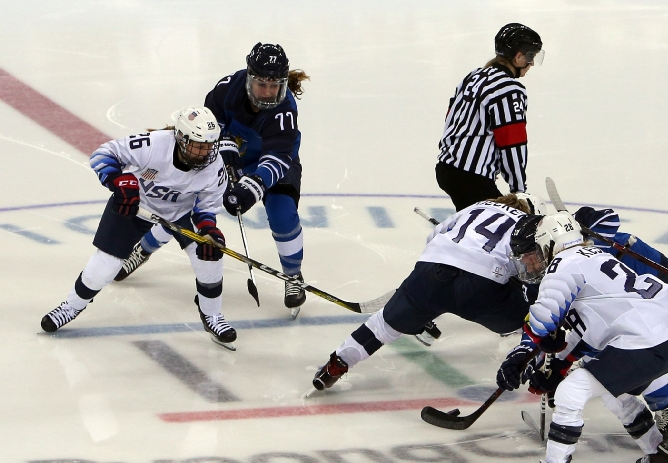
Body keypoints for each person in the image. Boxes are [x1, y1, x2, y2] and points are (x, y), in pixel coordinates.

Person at [499, 212, 668, 463]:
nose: (529, 264)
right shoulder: (591, 254)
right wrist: (557, 366)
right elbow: (585, 331)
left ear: (548, 244)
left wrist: (519, 355)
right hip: (667, 341)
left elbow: (544, 318)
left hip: (642, 344)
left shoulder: (563, 265)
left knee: (570, 394)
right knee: (613, 392)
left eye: (531, 254)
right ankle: (659, 458)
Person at [115, 43, 311, 317]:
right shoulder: (228, 88)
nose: (267, 93)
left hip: (273, 165)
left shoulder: (285, 109)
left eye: (273, 86)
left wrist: (251, 188)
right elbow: (210, 129)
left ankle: (293, 276)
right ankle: (144, 248)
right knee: (185, 205)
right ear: (249, 79)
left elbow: (278, 158)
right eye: (261, 85)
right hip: (230, 157)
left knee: (283, 214)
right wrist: (226, 156)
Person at [41, 108, 237, 349]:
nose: (205, 152)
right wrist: (119, 180)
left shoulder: (215, 167)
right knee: (104, 268)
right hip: (134, 205)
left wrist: (209, 230)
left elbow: (206, 208)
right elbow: (102, 155)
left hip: (180, 213)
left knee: (209, 260)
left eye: (209, 146)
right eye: (198, 145)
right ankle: (72, 306)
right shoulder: (153, 145)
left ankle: (212, 315)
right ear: (181, 139)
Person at [312, 194, 545, 392]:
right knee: (532, 320)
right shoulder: (529, 224)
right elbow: (532, 270)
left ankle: (335, 365)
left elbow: (433, 237)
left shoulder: (478, 207)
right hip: (481, 285)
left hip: (432, 270)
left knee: (383, 326)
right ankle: (538, 365)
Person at [572, 205, 668, 451]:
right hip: (651, 294)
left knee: (634, 349)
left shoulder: (602, 247)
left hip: (653, 293)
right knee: (640, 348)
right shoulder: (606, 243)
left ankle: (665, 412)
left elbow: (607, 218)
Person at [436, 23, 543, 211]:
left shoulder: (474, 76)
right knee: (504, 228)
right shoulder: (509, 89)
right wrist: (519, 190)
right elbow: (512, 142)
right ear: (518, 56)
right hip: (471, 177)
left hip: (446, 168)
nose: (531, 63)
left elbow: (450, 118)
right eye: (530, 56)